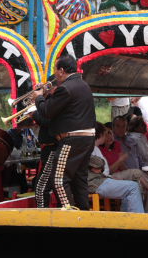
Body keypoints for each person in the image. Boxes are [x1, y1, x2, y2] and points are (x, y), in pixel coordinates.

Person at [31, 55, 96, 211]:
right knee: (79, 181)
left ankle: (70, 218)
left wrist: (38, 98)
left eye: (54, 69)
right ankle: (84, 219)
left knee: (58, 180)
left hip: (73, 139)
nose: (53, 73)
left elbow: (46, 111)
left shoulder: (65, 88)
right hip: (87, 139)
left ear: (61, 70)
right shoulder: (83, 85)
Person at [88, 123, 145, 213]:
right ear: (100, 135)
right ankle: (138, 223)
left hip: (102, 180)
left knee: (131, 186)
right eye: (104, 134)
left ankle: (125, 221)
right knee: (133, 187)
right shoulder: (89, 148)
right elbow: (99, 164)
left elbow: (101, 167)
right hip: (95, 183)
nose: (106, 137)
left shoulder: (96, 148)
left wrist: (107, 174)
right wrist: (99, 166)